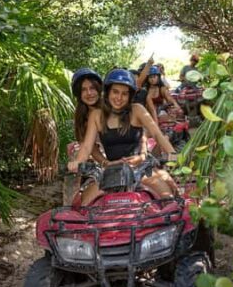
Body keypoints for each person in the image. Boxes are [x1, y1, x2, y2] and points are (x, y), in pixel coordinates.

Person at [68, 69, 179, 201]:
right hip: (110, 172)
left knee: (169, 198)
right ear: (108, 92)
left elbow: (157, 134)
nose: (119, 98)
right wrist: (77, 162)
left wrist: (174, 156)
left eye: (124, 94)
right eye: (115, 92)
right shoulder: (96, 115)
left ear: (130, 96)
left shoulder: (137, 109)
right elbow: (86, 147)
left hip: (140, 169)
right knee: (84, 204)